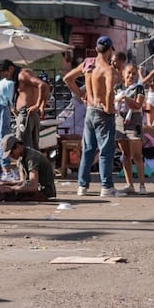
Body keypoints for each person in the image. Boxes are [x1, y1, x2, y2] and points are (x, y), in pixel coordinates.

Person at [65, 36, 121, 197]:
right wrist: (110, 109)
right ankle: (106, 187)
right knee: (105, 150)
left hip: (90, 110)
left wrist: (81, 94)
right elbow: (110, 91)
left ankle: (82, 186)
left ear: (97, 49)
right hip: (103, 112)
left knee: (88, 149)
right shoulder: (107, 69)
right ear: (110, 50)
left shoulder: (88, 64)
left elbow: (67, 79)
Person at [115, 63, 148, 194]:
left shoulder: (139, 88)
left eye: (134, 73)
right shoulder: (117, 87)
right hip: (119, 121)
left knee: (137, 155)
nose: (131, 76)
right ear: (123, 73)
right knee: (125, 155)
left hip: (134, 121)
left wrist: (125, 98)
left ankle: (142, 185)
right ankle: (129, 184)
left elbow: (137, 104)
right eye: (128, 73)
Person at [0, 134, 58, 200]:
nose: (11, 156)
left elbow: (33, 187)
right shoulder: (20, 159)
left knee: (11, 197)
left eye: (11, 153)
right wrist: (6, 184)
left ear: (18, 146)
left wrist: (11, 189)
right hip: (34, 190)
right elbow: (22, 181)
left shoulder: (32, 158)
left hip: (44, 192)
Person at [13, 64, 51, 151]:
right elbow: (46, 87)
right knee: (33, 147)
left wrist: (38, 105)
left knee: (23, 147)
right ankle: (33, 163)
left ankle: (27, 164)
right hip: (32, 114)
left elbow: (43, 86)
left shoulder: (24, 75)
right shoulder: (33, 77)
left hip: (26, 113)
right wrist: (42, 106)